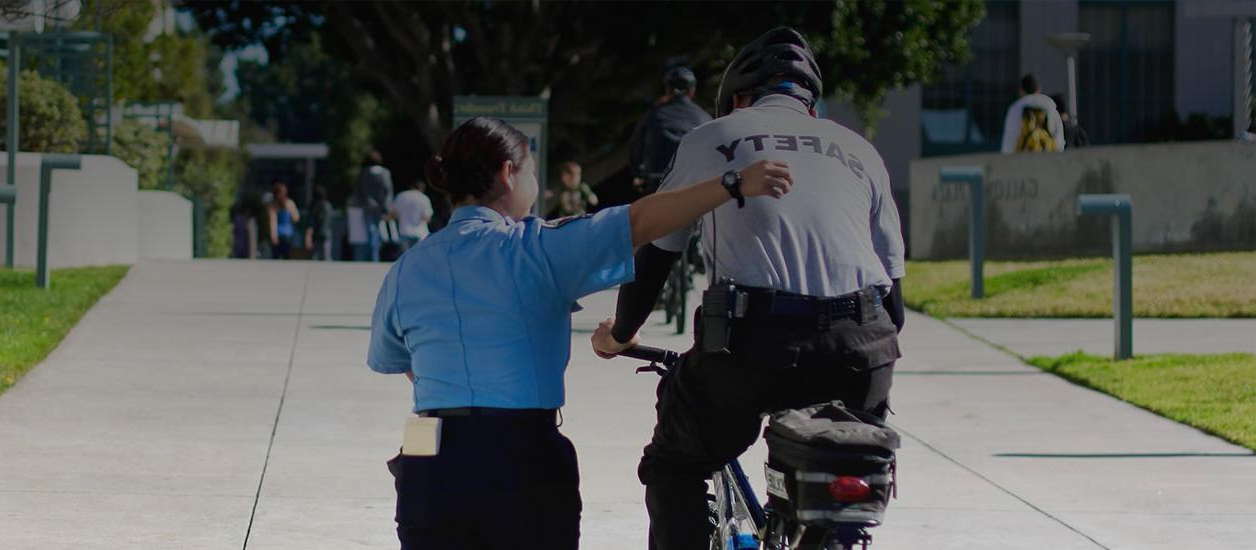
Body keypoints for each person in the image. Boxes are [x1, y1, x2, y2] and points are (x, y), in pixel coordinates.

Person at [368, 116, 792, 549]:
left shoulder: (407, 268)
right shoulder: (535, 249)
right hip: (520, 453)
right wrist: (733, 184)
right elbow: (641, 222)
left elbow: (394, 358)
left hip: (428, 456)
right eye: (532, 171)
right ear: (507, 172)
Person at [589, 27, 907, 550]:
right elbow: (892, 290)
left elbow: (659, 252)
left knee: (675, 464)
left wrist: (622, 332)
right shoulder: (859, 149)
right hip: (862, 344)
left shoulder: (715, 137)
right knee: (840, 474)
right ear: (811, 101)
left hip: (755, 341)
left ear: (738, 96)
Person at [629, 65, 713, 196]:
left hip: (659, 185)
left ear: (667, 89)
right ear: (692, 90)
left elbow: (635, 150)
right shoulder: (705, 118)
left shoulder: (652, 115)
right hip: (695, 185)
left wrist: (638, 176)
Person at [1000, 74, 1065, 153]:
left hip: (1023, 160)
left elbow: (1009, 140)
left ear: (1021, 91)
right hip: (1047, 158)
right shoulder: (1050, 107)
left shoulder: (1015, 109)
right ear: (1038, 89)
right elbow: (1059, 138)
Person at [354, 150, 395, 261]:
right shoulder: (385, 172)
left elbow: (361, 191)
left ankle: (373, 256)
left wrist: (369, 202)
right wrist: (387, 206)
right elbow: (388, 191)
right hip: (382, 208)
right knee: (379, 231)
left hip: (368, 207)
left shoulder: (364, 172)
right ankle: (375, 255)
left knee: (371, 232)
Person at [390, 180, 435, 251]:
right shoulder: (424, 198)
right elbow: (427, 218)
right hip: (420, 232)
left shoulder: (401, 196)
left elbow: (393, 214)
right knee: (419, 256)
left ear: (411, 187)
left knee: (406, 257)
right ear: (422, 189)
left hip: (404, 230)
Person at [267, 182, 300, 260]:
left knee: (277, 258)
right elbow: (296, 218)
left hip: (282, 234)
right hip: (287, 234)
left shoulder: (274, 205)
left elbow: (273, 221)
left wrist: (273, 236)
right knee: (286, 258)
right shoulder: (290, 203)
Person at [303, 186, 334, 261]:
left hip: (323, 235)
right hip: (317, 235)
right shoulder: (313, 206)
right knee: (314, 257)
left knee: (326, 256)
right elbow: (310, 222)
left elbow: (325, 223)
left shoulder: (326, 207)